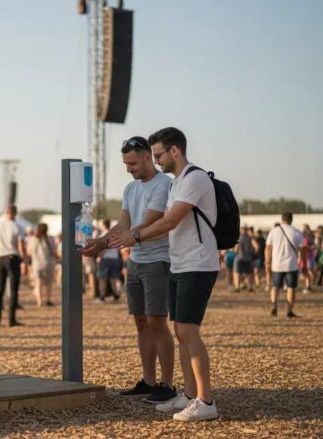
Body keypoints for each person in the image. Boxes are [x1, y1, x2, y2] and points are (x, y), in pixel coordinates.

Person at [111, 127, 220, 421]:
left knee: (187, 331)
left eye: (159, 155)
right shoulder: (177, 183)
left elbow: (170, 220)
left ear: (175, 151)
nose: (157, 160)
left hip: (197, 264)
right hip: (181, 263)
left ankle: (205, 400)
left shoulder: (194, 178)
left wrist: (137, 236)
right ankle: (188, 395)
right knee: (180, 332)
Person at [83, 135, 176, 405]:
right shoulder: (130, 188)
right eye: (125, 163)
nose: (128, 168)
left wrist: (106, 243)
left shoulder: (163, 185)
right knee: (140, 322)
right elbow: (124, 225)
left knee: (158, 321)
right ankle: (148, 380)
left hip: (158, 260)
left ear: (148, 157)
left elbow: (147, 223)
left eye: (132, 163)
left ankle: (167, 384)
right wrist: (102, 242)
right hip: (135, 261)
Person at [0, 204, 26, 327]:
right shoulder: (18, 226)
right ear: (15, 213)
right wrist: (25, 260)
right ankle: (11, 320)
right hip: (12, 257)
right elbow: (20, 245)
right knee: (14, 290)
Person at [264, 212, 303, 318]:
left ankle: (274, 305)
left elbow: (268, 248)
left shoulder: (274, 231)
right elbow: (302, 249)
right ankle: (289, 311)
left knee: (275, 286)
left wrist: (267, 262)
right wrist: (303, 261)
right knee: (291, 287)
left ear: (282, 219)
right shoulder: (296, 232)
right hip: (292, 264)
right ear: (291, 219)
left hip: (277, 264)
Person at [27, 223, 57, 307]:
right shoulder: (50, 239)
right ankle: (48, 299)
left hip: (37, 264)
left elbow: (29, 251)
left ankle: (39, 301)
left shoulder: (33, 239)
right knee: (48, 283)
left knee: (38, 283)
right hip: (49, 263)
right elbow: (54, 251)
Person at [96, 219, 123, 302]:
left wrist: (99, 256)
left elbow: (103, 248)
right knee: (113, 278)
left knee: (103, 278)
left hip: (106, 259)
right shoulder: (114, 235)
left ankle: (102, 296)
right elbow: (118, 248)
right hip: (114, 259)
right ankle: (116, 295)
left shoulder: (103, 235)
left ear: (104, 225)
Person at [233, 227, 255, 292]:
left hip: (239, 258)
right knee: (249, 273)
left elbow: (236, 249)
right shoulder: (250, 237)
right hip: (248, 258)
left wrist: (235, 251)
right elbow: (256, 246)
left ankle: (237, 287)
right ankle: (250, 287)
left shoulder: (239, 237)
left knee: (237, 273)